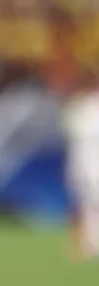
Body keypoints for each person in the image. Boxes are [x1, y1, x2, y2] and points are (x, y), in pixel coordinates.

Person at [64, 72, 99, 261]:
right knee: (85, 203)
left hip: (94, 162)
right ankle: (89, 244)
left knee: (94, 202)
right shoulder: (78, 106)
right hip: (80, 161)